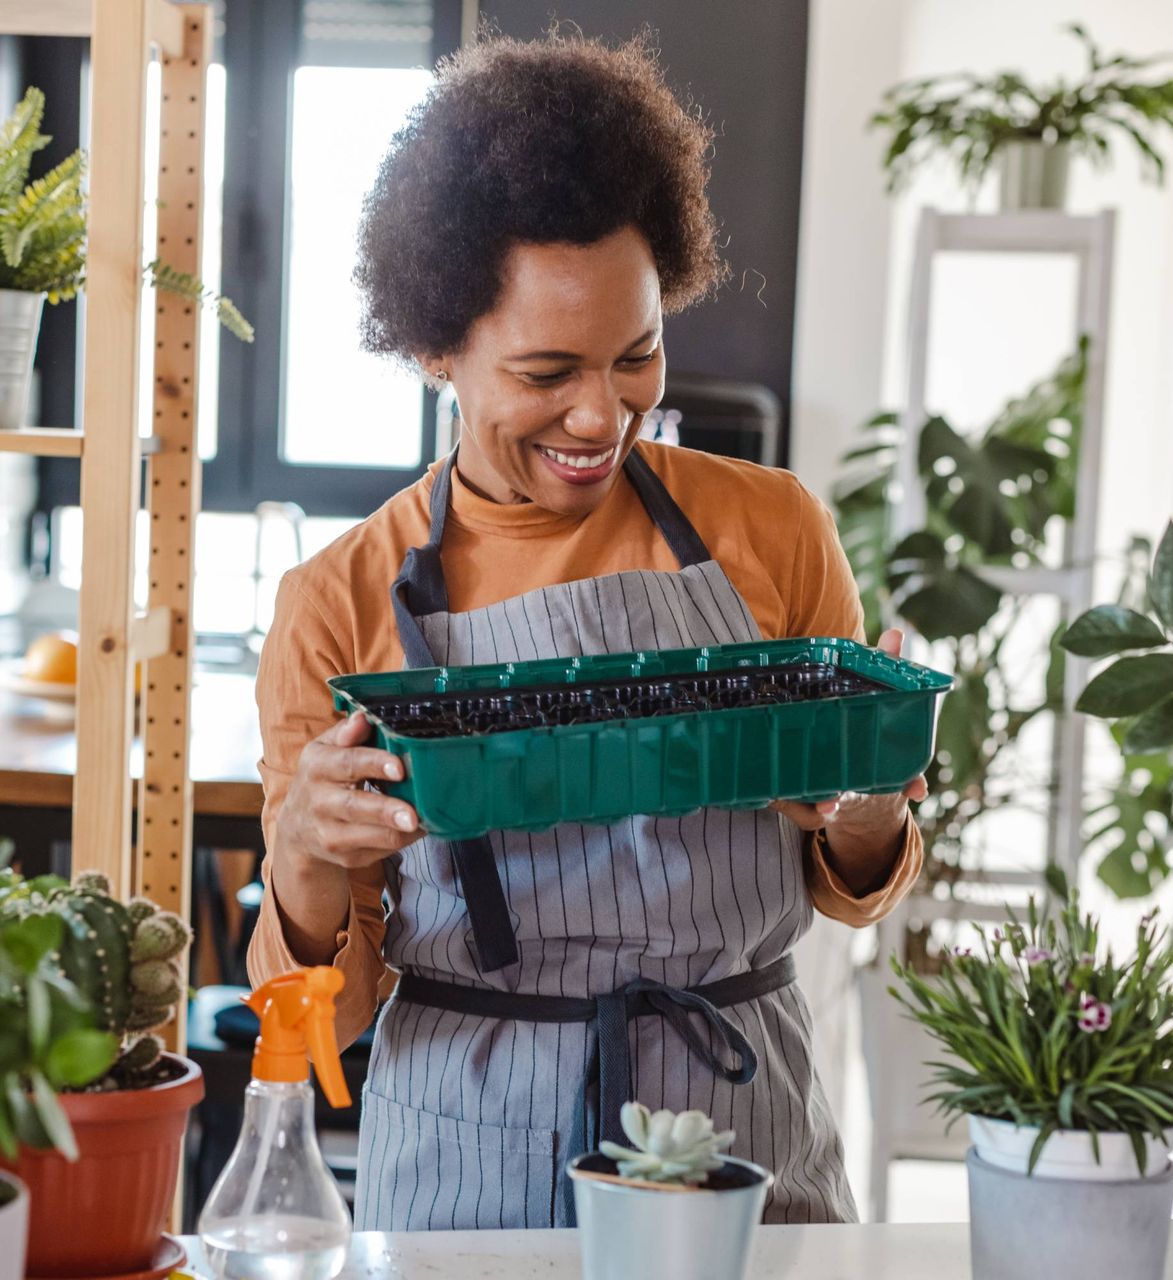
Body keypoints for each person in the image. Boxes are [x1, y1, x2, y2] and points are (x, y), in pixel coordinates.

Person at [248, 30, 925, 1232]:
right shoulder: (339, 601)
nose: (602, 413)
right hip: (468, 1156)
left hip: (743, 1132)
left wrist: (871, 808)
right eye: (548, 370)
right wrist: (302, 858)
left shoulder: (770, 528)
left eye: (636, 355)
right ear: (433, 348)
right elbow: (324, 1018)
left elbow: (852, 886)